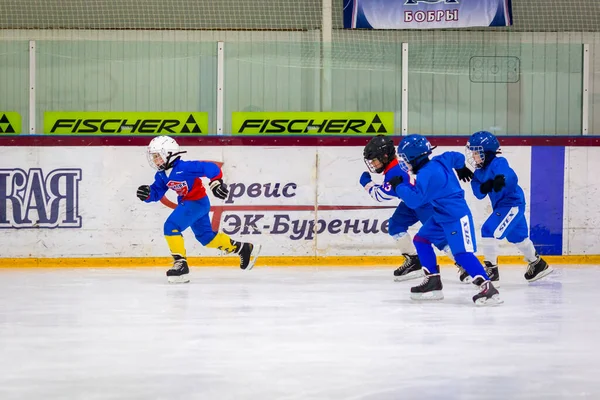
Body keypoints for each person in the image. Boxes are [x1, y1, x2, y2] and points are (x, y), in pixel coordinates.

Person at [389, 134, 503, 306]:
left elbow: (415, 200)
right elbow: (456, 157)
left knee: (462, 254)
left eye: (404, 158)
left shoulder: (427, 174)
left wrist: (399, 186)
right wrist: (461, 167)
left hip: (456, 216)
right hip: (441, 215)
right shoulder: (440, 159)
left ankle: (488, 288)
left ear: (413, 157)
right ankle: (433, 281)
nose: (403, 162)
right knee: (421, 240)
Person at [136, 135, 261, 283]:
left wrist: (216, 182)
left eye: (157, 156)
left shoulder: (185, 167)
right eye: (154, 157)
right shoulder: (162, 175)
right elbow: (157, 191)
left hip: (196, 203)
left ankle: (180, 264)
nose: (155, 160)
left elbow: (211, 168)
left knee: (171, 226)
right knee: (207, 238)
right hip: (192, 204)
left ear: (168, 154)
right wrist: (148, 194)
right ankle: (242, 248)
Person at [360, 135, 463, 281]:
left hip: (424, 204)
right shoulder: (398, 163)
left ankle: (464, 265)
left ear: (384, 156)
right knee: (395, 226)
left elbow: (380, 196)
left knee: (440, 238)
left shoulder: (394, 172)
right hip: (411, 202)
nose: (373, 164)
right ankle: (414, 261)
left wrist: (366, 182)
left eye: (374, 160)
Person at [464, 131, 553, 285]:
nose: (473, 156)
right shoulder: (479, 173)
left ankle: (491, 271)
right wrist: (486, 186)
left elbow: (510, 176)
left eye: (476, 152)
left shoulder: (499, 162)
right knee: (517, 237)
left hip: (512, 204)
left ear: (486, 152)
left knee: (488, 230)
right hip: (502, 206)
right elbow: (478, 193)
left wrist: (501, 178)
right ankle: (538, 264)